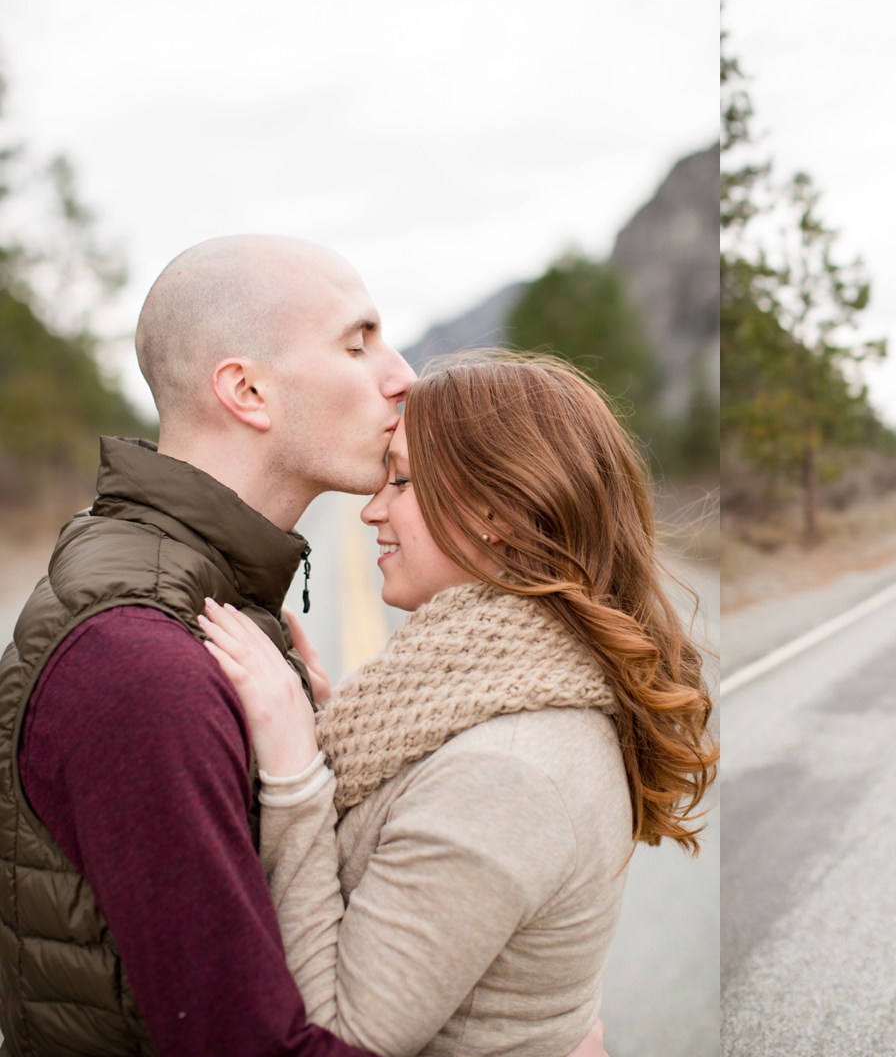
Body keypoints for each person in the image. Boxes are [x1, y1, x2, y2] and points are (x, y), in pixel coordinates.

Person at [0, 238, 605, 1057]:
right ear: (247, 390)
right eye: (357, 345)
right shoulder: (142, 663)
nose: (402, 377)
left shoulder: (220, 608)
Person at [196, 352, 718, 1056]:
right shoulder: (480, 693)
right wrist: (324, 718)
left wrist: (294, 775)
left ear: (496, 512)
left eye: (402, 480)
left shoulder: (511, 772)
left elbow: (336, 1038)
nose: (373, 509)